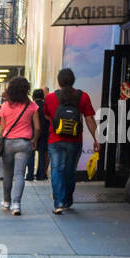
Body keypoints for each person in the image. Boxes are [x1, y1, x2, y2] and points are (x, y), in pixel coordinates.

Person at [42, 69, 98, 213]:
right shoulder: (83, 97)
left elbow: (47, 116)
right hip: (75, 140)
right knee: (70, 170)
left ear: (59, 81)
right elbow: (89, 119)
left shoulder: (50, 98)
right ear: (73, 80)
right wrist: (96, 139)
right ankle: (67, 200)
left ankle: (59, 202)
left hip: (55, 140)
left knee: (56, 169)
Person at [0, 76, 40, 216]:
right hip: (24, 143)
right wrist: (35, 140)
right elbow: (37, 127)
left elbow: (2, 129)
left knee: (8, 173)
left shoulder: (5, 106)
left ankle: (6, 201)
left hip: (8, 143)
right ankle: (16, 204)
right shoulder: (32, 105)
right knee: (20, 174)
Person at [26, 87, 49, 181]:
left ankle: (30, 175)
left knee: (31, 155)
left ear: (33, 96)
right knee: (42, 155)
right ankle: (40, 175)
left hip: (32, 133)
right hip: (44, 134)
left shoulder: (31, 106)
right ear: (43, 96)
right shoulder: (46, 106)